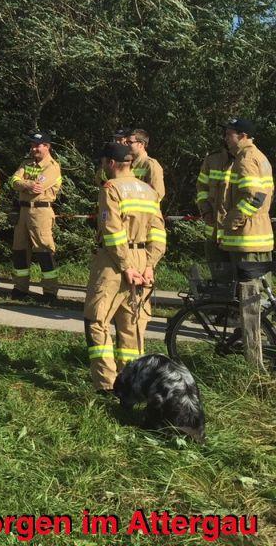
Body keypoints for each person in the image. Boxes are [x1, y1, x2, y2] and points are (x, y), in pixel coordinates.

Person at [85, 142, 166, 393]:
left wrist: (125, 265)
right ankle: (131, 385)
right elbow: (159, 232)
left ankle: (106, 384)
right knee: (133, 324)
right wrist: (150, 265)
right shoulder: (149, 191)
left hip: (114, 261)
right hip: (143, 258)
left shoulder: (111, 188)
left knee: (96, 320)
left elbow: (112, 232)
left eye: (102, 163)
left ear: (110, 163)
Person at [219, 118, 273, 368]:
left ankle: (254, 356)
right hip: (260, 236)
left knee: (249, 300)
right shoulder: (260, 157)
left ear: (242, 136)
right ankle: (260, 344)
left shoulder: (245, 159)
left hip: (246, 239)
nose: (226, 139)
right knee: (259, 300)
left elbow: (254, 197)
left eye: (229, 134)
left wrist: (231, 222)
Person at [8, 131, 63, 302]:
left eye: (38, 145)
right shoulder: (26, 163)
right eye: (32, 145)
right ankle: (20, 288)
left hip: (41, 212)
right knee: (20, 250)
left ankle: (50, 292)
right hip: (23, 211)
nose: (34, 148)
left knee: (44, 251)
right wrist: (28, 184)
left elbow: (39, 187)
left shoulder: (52, 167)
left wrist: (24, 184)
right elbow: (13, 181)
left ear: (47, 147)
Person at [195, 136, 233, 279]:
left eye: (230, 133)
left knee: (243, 283)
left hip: (238, 233)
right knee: (219, 279)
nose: (226, 137)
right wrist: (205, 211)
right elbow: (201, 187)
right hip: (214, 232)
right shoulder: (212, 159)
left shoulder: (249, 160)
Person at [125, 129, 166, 201]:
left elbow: (158, 194)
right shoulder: (127, 163)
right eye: (126, 142)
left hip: (144, 211)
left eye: (130, 142)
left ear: (141, 144)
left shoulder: (151, 164)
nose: (126, 145)